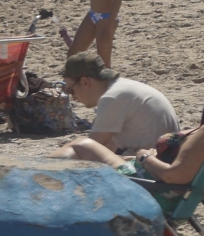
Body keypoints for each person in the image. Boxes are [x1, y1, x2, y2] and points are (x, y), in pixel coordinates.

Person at [55, 73, 204, 198]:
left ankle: (41, 177)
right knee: (81, 153)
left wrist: (144, 157)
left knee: (82, 146)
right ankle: (47, 179)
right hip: (151, 180)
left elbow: (173, 175)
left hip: (151, 189)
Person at [51, 51, 179, 158]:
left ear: (85, 82)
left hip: (153, 165)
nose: (73, 98)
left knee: (79, 150)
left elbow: (88, 150)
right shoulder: (122, 87)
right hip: (165, 156)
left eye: (71, 90)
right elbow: (108, 144)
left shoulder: (112, 98)